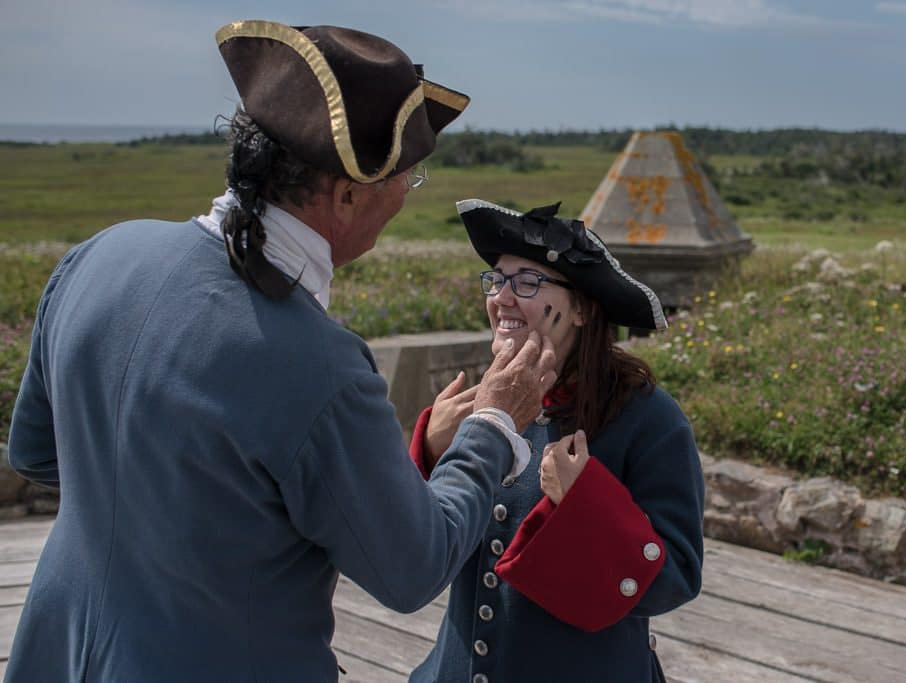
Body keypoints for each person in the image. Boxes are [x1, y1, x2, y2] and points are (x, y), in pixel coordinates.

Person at [4, 22, 556, 682]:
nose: (403, 203)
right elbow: (411, 569)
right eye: (405, 184)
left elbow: (35, 451)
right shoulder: (320, 365)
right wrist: (492, 425)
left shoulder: (96, 256)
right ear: (346, 193)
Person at [407, 200, 705, 682]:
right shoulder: (485, 405)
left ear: (584, 309)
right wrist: (430, 453)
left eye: (527, 283)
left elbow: (676, 579)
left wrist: (584, 503)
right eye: (497, 280)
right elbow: (411, 543)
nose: (502, 297)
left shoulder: (651, 420)